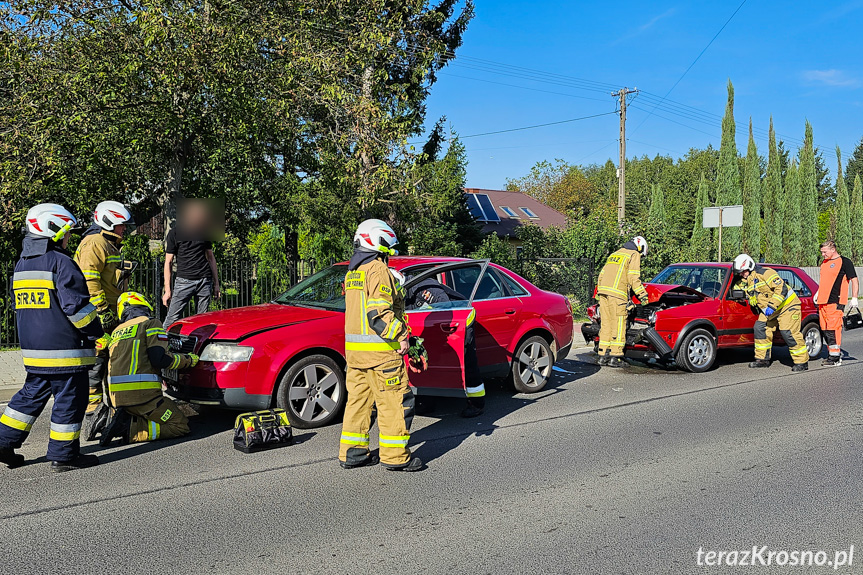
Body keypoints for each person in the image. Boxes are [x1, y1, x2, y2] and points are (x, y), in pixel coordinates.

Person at [0, 204, 103, 471]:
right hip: (65, 351)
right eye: (67, 232)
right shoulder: (62, 262)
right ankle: (64, 456)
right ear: (52, 229)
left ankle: (2, 441)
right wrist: (96, 330)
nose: (70, 238)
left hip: (34, 351)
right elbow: (77, 309)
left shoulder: (22, 264)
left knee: (28, 398)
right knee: (70, 401)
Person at [339, 219, 422, 471]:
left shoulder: (353, 272)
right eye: (388, 245)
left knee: (358, 404)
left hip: (355, 356)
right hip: (381, 353)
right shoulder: (377, 269)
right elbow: (378, 314)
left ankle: (353, 453)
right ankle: (396, 458)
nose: (390, 251)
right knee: (395, 403)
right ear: (378, 240)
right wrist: (402, 336)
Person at [98, 292, 199, 445]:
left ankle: (127, 419)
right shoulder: (150, 323)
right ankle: (130, 430)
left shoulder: (116, 332)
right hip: (146, 400)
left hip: (117, 400)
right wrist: (188, 360)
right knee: (179, 425)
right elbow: (160, 359)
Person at [74, 200, 134, 434]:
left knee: (111, 360)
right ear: (109, 222)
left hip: (111, 312)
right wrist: (103, 312)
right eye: (121, 225)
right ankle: (93, 411)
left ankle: (107, 409)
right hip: (101, 315)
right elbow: (90, 281)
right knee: (97, 362)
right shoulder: (95, 243)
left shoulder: (108, 245)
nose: (124, 229)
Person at [394, 268, 485, 418]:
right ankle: (427, 402)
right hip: (432, 327)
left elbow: (446, 311)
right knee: (426, 363)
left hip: (459, 320)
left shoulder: (424, 289)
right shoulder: (403, 292)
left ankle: (477, 403)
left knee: (467, 362)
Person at [732, 254, 809, 372]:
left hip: (787, 306)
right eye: (740, 272)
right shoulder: (749, 279)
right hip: (770, 310)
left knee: (788, 332)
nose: (742, 274)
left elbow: (781, 289)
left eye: (743, 271)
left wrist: (772, 306)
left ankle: (801, 361)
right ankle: (762, 359)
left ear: (750, 266)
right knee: (760, 327)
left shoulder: (766, 273)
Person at [162, 201, 221, 328]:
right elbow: (168, 262)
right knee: (172, 319)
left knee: (202, 321)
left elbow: (211, 258)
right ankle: (160, 344)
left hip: (204, 280)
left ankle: (196, 346)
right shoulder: (175, 233)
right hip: (184, 281)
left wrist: (216, 284)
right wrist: (167, 290)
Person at [595, 236, 649, 367]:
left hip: (603, 292)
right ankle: (616, 357)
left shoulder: (615, 253)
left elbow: (601, 275)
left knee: (606, 324)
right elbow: (633, 277)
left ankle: (603, 355)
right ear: (640, 247)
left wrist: (598, 293)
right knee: (618, 326)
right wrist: (643, 295)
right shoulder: (633, 254)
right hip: (617, 295)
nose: (640, 256)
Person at [813, 240, 859, 366]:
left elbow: (854, 280)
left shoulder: (845, 262)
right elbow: (825, 281)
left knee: (833, 329)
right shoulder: (824, 263)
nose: (822, 254)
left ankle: (835, 357)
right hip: (823, 301)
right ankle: (832, 354)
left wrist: (854, 297)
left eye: (824, 252)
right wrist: (818, 293)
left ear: (833, 249)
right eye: (822, 252)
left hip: (836, 301)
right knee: (825, 329)